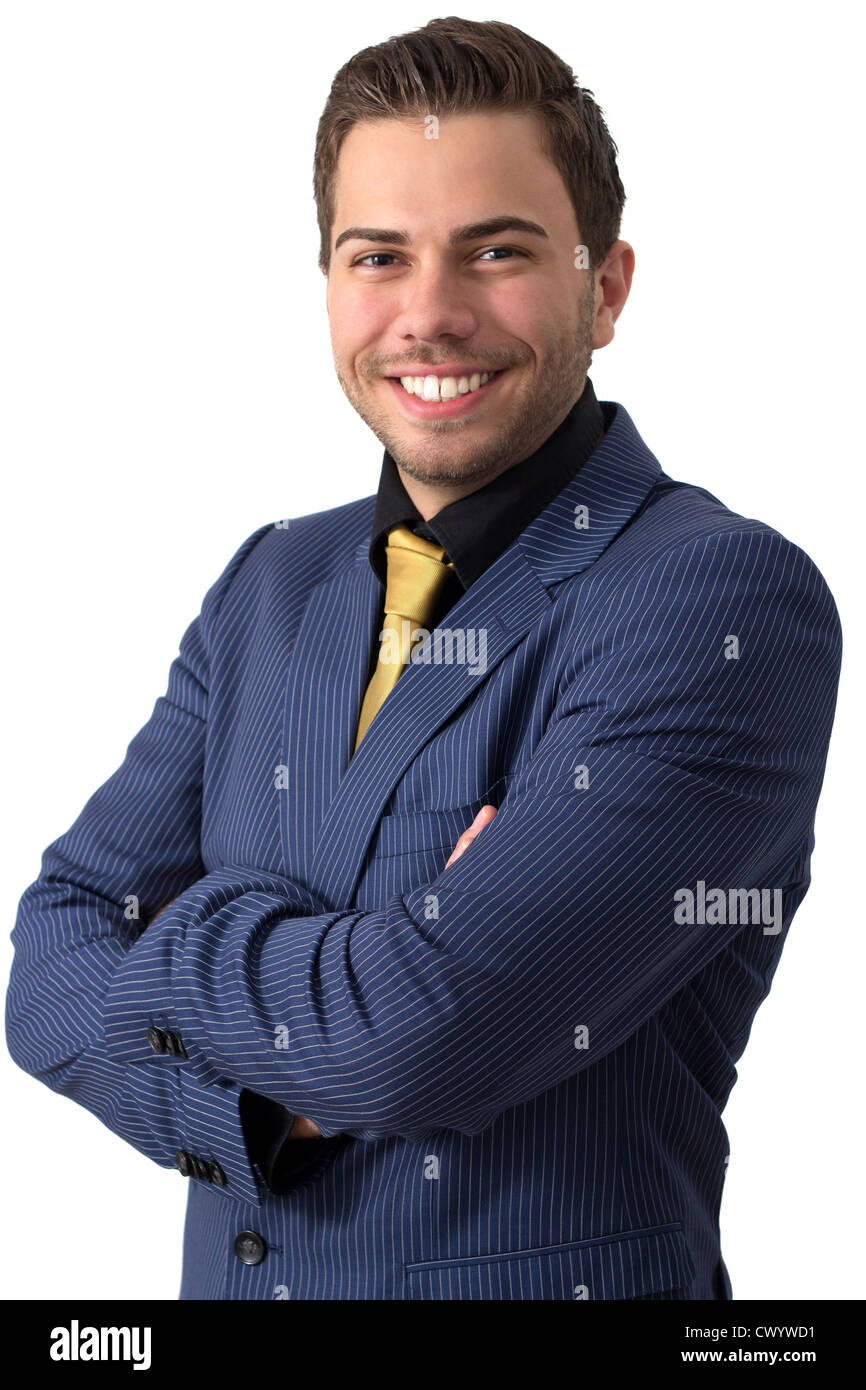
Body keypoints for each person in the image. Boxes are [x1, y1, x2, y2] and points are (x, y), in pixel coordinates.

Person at [6, 16, 841, 1301]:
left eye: (494, 252)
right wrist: (270, 1103)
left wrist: (179, 939)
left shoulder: (714, 599)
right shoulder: (269, 583)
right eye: (376, 257)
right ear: (331, 284)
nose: (428, 315)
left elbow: (414, 1037)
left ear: (603, 286)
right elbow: (55, 950)